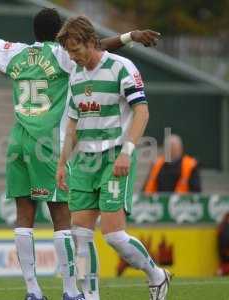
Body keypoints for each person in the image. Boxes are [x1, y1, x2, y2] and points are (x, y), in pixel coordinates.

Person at [0, 8, 160, 300]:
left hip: (18, 141)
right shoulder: (63, 55)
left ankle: (33, 291)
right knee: (63, 219)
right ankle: (70, 290)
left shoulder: (16, 53)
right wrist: (131, 36)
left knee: (23, 216)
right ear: (59, 35)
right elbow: (98, 46)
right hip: (48, 142)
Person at [56, 16, 171, 300]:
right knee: (79, 234)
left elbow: (142, 112)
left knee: (114, 236)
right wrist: (62, 163)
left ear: (91, 42)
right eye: (69, 52)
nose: (73, 56)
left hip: (114, 157)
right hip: (85, 161)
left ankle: (157, 275)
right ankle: (90, 296)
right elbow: (72, 123)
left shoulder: (121, 68)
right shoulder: (77, 76)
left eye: (76, 50)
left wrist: (126, 153)